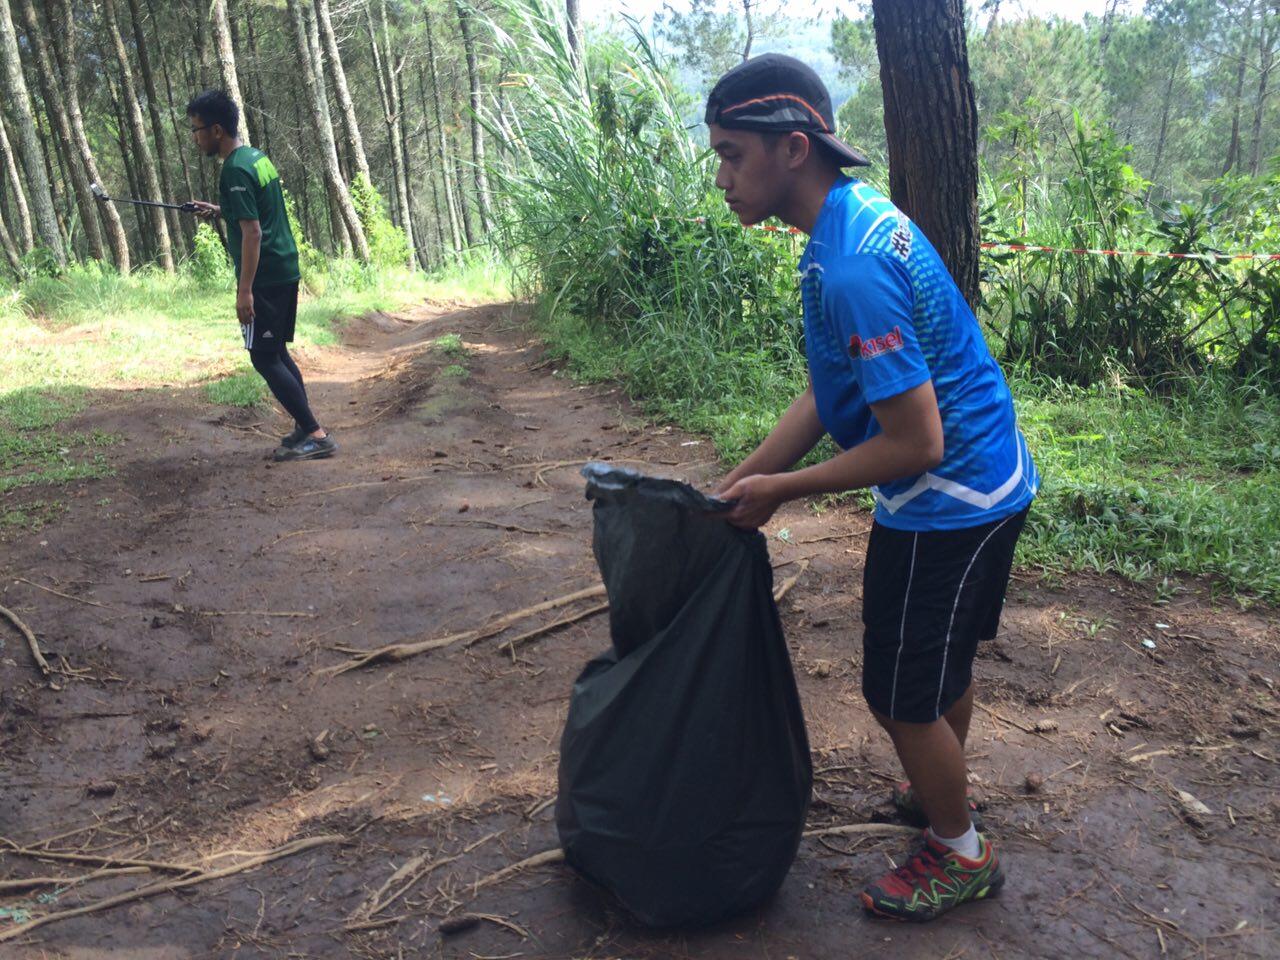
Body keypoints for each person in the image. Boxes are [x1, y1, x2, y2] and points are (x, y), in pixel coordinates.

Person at [706, 54, 1038, 922]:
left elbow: (917, 443)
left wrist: (785, 487)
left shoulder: (849, 267)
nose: (722, 178)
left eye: (733, 155)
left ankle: (957, 851)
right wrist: (748, 478)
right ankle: (939, 790)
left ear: (793, 148)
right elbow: (832, 390)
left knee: (896, 691)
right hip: (989, 478)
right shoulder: (848, 222)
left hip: (952, 502)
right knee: (935, 666)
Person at [186, 89, 336, 462]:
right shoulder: (255, 158)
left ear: (216, 130)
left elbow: (253, 232)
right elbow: (257, 211)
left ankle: (316, 434)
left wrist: (245, 291)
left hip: (265, 276)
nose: (195, 138)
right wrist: (221, 210)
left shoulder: (234, 169)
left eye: (197, 130)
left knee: (262, 358)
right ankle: (305, 427)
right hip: (284, 267)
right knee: (275, 352)